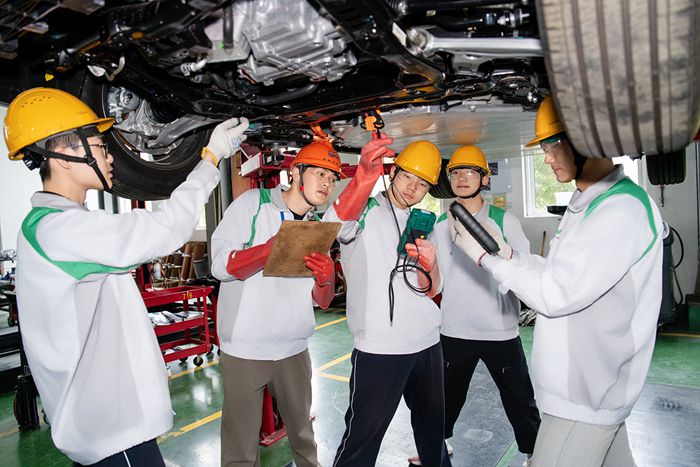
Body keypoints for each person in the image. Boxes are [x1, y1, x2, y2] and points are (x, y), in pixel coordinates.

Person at [5, 87, 247, 466]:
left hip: (107, 427)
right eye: (100, 146)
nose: (110, 156)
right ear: (64, 155)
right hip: (113, 435)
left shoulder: (55, 226)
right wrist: (210, 157)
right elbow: (164, 228)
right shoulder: (59, 231)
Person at [450, 96, 664, 466]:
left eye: (553, 146)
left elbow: (554, 294)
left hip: (585, 396)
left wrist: (487, 259)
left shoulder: (619, 210)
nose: (547, 158)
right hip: (591, 389)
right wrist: (510, 256)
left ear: (586, 140)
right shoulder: (591, 203)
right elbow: (558, 272)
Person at [211, 140, 344, 467]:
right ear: (295, 173)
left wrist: (327, 278)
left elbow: (322, 300)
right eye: (320, 174)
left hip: (294, 349)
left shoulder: (316, 227)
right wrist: (266, 251)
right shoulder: (252, 204)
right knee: (240, 449)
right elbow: (219, 266)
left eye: (332, 178)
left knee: (303, 438)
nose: (327, 184)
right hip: (246, 350)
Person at [324, 137, 452, 467]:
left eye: (422, 184)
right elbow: (332, 226)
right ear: (393, 172)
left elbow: (433, 288)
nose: (412, 188)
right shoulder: (363, 209)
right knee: (361, 441)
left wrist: (430, 264)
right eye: (408, 177)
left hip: (427, 343)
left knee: (432, 435)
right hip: (380, 348)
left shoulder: (422, 222)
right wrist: (363, 176)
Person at [413, 145, 539, 466]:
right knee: (444, 397)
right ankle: (436, 445)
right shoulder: (440, 225)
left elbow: (524, 269)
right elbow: (435, 279)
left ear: (484, 178)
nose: (461, 178)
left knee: (520, 399)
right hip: (455, 328)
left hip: (500, 330)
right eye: (455, 172)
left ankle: (534, 453)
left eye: (470, 172)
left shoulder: (504, 220)